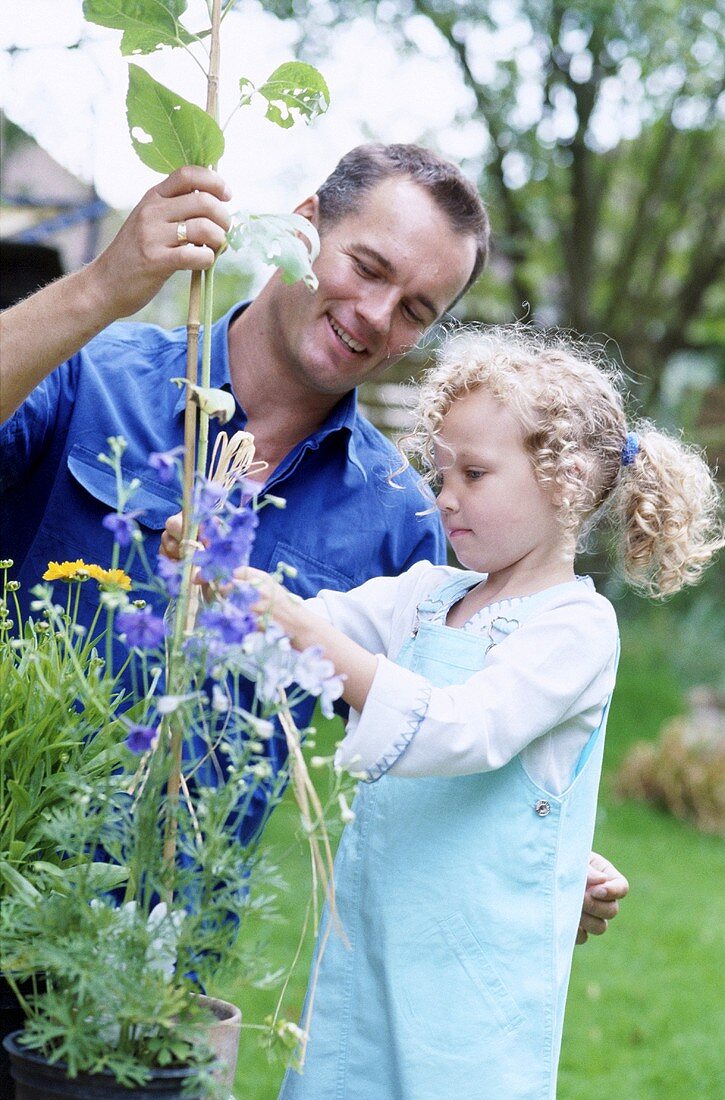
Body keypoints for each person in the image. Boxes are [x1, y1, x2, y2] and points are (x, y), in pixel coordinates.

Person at [0, 143, 626, 931]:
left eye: (414, 311)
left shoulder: (403, 518)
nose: (374, 314)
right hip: (9, 852)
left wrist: (538, 860)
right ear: (303, 230)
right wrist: (99, 290)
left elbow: (449, 723)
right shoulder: (90, 369)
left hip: (150, 973)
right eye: (367, 267)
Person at [238, 325, 722, 1099]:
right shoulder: (427, 598)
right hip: (371, 944)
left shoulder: (574, 626)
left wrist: (302, 631)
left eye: (473, 473)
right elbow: (311, 624)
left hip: (472, 982)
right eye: (440, 471)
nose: (444, 495)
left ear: (563, 481)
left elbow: (464, 727)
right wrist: (231, 590)